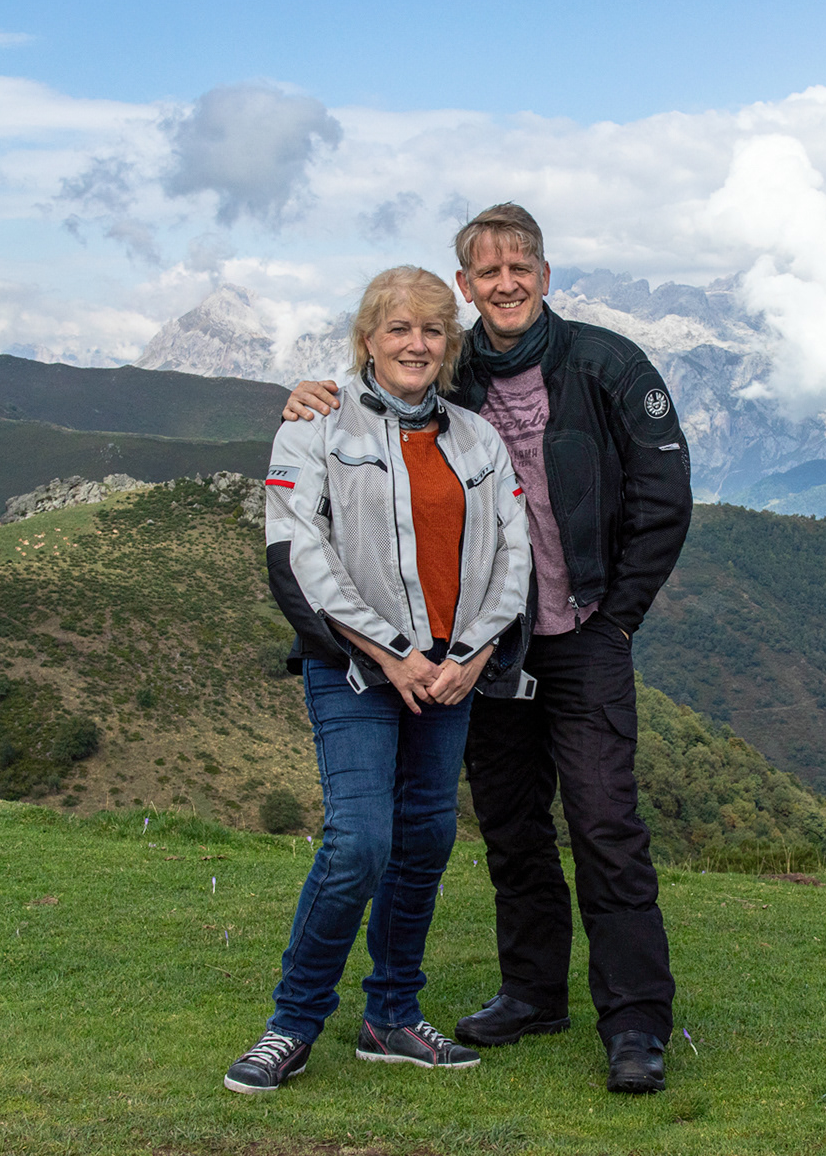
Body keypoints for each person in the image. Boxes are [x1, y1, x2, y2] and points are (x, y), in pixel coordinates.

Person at [282, 205, 693, 1094]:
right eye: (487, 271)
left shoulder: (607, 365)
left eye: (521, 266)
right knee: (511, 826)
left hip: (584, 633)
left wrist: (619, 618)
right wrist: (313, 396)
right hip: (484, 645)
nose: (506, 284)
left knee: (604, 823)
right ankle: (534, 994)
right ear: (467, 285)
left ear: (545, 274)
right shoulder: (453, 369)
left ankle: (634, 1021)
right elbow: (381, 398)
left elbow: (665, 498)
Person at [224, 265, 535, 1095]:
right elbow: (299, 554)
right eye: (399, 328)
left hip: (449, 675)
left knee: (426, 841)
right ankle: (292, 1023)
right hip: (357, 670)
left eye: (432, 330)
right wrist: (391, 653)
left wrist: (473, 655)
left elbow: (514, 552)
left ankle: (391, 1016)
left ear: (449, 344)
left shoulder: (478, 438)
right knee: (360, 842)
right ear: (368, 338)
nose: (416, 344)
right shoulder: (313, 428)